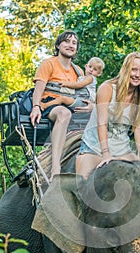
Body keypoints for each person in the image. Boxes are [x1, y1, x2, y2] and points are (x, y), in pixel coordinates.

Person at [62, 51, 140, 253]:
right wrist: (105, 154)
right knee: (81, 189)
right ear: (126, 69)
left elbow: (139, 129)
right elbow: (101, 124)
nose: (137, 74)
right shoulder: (108, 88)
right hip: (96, 146)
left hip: (122, 149)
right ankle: (71, 250)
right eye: (134, 69)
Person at [30, 30, 93, 182]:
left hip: (72, 105)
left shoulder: (77, 70)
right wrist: (36, 107)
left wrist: (91, 106)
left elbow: (86, 93)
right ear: (58, 45)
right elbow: (39, 89)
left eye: (74, 43)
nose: (70, 45)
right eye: (67, 41)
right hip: (51, 106)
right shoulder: (49, 63)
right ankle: (55, 167)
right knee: (64, 113)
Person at [40, 57, 105, 111]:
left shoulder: (91, 78)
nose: (91, 70)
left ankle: (45, 105)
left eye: (95, 69)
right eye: (90, 67)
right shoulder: (81, 77)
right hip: (80, 98)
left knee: (63, 99)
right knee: (63, 99)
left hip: (85, 101)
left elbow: (79, 85)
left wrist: (67, 84)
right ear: (86, 66)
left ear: (99, 74)